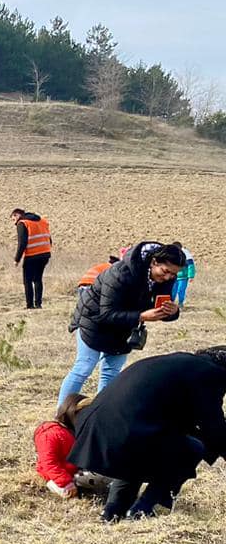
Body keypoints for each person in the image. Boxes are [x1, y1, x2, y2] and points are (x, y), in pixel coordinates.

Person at [68, 346, 226, 521]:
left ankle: (112, 512)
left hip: (96, 428)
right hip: (127, 430)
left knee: (142, 450)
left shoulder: (180, 364)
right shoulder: (211, 373)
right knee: (192, 449)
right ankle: (145, 508)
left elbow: (184, 422)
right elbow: (213, 426)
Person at [57, 241, 186, 404]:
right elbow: (107, 313)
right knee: (84, 367)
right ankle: (61, 416)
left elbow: (157, 308)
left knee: (111, 372)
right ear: (154, 262)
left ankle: (101, 415)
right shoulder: (120, 273)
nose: (168, 277)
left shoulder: (164, 278)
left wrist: (172, 312)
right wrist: (141, 316)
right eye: (166, 271)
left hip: (124, 327)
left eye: (173, 275)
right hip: (94, 320)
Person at [34, 394, 108, 500]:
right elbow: (49, 463)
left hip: (76, 468)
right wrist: (65, 482)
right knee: (105, 476)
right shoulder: (49, 434)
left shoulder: (73, 429)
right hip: (63, 473)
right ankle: (57, 484)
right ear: (75, 414)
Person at [12, 208, 52, 311]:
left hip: (32, 255)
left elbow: (22, 243)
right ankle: (38, 304)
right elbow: (49, 238)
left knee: (27, 280)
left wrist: (17, 259)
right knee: (38, 279)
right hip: (45, 254)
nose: (14, 223)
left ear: (17, 215)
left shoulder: (23, 223)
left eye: (13, 219)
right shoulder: (42, 221)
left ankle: (29, 305)